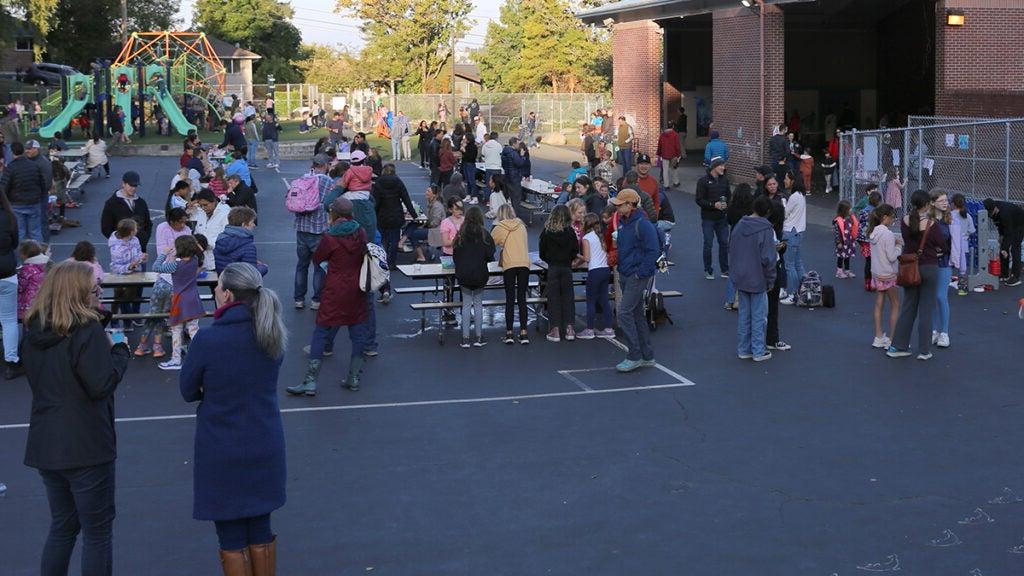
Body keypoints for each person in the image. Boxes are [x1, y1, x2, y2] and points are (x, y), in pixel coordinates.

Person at [22, 261, 131, 575]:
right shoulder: (86, 332)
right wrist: (120, 351)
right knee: (97, 532)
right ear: (81, 294)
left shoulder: (34, 332)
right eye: (96, 290)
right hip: (86, 445)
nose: (100, 294)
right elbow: (101, 384)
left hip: (46, 443)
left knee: (62, 527)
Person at [179, 262, 286, 574]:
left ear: (226, 294)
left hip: (220, 445)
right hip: (265, 439)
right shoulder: (271, 334)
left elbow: (188, 390)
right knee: (261, 525)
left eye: (217, 285)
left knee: (229, 531)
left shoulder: (208, 341)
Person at [288, 198, 370, 396]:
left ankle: (311, 381)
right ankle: (354, 377)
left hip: (335, 288)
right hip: (357, 288)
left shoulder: (330, 236)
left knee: (321, 332)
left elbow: (318, 258)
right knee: (357, 332)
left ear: (334, 214)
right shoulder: (360, 232)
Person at [888, 190, 946, 360]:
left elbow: (909, 239)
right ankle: (924, 350)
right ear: (927, 204)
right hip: (928, 266)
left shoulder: (905, 221)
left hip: (909, 266)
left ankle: (898, 345)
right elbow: (942, 245)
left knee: (908, 307)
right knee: (926, 308)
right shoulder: (931, 224)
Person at [609, 189, 660, 370]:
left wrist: (640, 273)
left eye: (620, 205)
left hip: (634, 275)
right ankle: (646, 355)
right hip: (628, 273)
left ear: (630, 205)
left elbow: (654, 251)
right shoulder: (625, 222)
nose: (617, 207)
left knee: (624, 313)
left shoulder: (642, 224)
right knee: (636, 314)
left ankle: (635, 355)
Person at [730, 195, 778, 362]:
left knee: (744, 315)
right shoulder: (765, 230)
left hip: (741, 276)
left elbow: (732, 249)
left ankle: (744, 348)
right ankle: (758, 350)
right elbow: (769, 259)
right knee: (759, 316)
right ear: (768, 211)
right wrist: (771, 280)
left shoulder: (739, 226)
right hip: (757, 278)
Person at [152, 235, 205, 371]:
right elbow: (200, 252)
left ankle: (176, 360)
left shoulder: (175, 265)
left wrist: (164, 253)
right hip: (193, 298)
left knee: (176, 329)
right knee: (193, 329)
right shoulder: (194, 260)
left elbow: (156, 267)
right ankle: (205, 354)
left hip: (180, 300)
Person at [294, 155, 334, 309]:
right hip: (318, 229)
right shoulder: (326, 181)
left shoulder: (303, 179)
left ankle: (299, 298)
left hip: (301, 228)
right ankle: (316, 300)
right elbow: (331, 202)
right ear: (325, 165)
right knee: (319, 266)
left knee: (301, 265)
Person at [453, 205, 495, 348]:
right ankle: (478, 336)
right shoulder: (484, 234)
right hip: (479, 274)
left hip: (464, 274)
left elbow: (455, 256)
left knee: (466, 305)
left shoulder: (460, 235)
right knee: (478, 304)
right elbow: (490, 255)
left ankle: (465, 338)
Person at [490, 204, 530, 344]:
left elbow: (490, 244)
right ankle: (524, 332)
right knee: (522, 299)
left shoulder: (499, 227)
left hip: (509, 264)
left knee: (510, 299)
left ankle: (509, 333)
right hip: (524, 263)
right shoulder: (521, 225)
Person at [540, 205, 579, 342]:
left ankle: (555, 329)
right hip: (566, 267)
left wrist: (549, 259)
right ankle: (570, 329)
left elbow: (542, 252)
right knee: (568, 298)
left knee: (554, 299)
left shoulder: (547, 232)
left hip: (553, 267)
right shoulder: (570, 232)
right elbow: (575, 249)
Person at [372, 163, 418, 275]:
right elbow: (406, 199)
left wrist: (373, 214)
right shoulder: (398, 182)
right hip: (396, 214)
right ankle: (391, 262)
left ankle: (383, 261)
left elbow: (375, 202)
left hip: (382, 216)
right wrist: (414, 215)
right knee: (394, 240)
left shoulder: (378, 183)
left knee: (383, 240)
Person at [869, 204, 902, 349]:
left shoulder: (873, 233)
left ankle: (878, 336)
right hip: (888, 274)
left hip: (876, 273)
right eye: (892, 217)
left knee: (879, 303)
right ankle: (891, 338)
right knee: (895, 304)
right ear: (885, 218)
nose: (893, 220)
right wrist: (899, 246)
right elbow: (892, 256)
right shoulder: (888, 234)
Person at [1, 141, 46, 243]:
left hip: (17, 204)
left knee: (20, 232)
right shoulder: (34, 165)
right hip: (34, 202)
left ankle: (21, 258)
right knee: (35, 232)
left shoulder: (11, 168)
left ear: (12, 152)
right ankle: (39, 256)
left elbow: (4, 187)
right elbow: (42, 183)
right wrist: (40, 196)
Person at [579, 213, 613, 340]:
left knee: (591, 300)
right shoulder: (600, 236)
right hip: (605, 269)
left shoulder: (586, 238)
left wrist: (577, 256)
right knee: (604, 299)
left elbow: (587, 258)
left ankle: (589, 329)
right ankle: (609, 328)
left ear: (586, 225)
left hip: (595, 271)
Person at [695, 157, 731, 279]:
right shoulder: (703, 181)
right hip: (708, 218)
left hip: (722, 218)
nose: (723, 168)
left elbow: (728, 196)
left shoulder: (725, 180)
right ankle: (708, 269)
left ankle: (725, 269)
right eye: (721, 165)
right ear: (714, 167)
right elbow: (699, 200)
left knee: (724, 243)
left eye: (724, 165)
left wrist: (726, 205)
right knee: (708, 244)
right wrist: (712, 205)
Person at [929, 190, 954, 349]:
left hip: (945, 262)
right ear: (932, 203)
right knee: (931, 296)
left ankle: (944, 332)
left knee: (940, 296)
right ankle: (933, 330)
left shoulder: (951, 220)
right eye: (941, 200)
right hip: (930, 262)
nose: (945, 203)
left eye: (946, 200)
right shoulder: (928, 220)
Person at [215, 206, 268, 276]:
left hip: (224, 282)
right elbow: (252, 275)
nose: (254, 225)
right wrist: (263, 267)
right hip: (241, 285)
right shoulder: (247, 246)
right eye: (252, 222)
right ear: (244, 225)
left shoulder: (220, 240)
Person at [982, 197, 1024, 286]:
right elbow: (999, 225)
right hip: (1009, 226)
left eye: (991, 212)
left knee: (1015, 248)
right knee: (1002, 247)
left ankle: (1015, 277)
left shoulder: (1005, 213)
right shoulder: (992, 212)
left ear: (996, 209)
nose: (990, 215)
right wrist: (1001, 236)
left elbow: (1009, 233)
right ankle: (1004, 274)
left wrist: (1005, 248)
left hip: (1019, 224)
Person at [780, 176, 806, 306]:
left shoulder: (794, 196)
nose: (785, 181)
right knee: (798, 263)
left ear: (793, 181)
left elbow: (785, 213)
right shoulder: (801, 195)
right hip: (799, 231)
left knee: (789, 265)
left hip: (790, 231)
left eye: (787, 178)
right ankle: (804, 291)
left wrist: (783, 203)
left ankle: (793, 294)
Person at [192, 189, 231, 272]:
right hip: (205, 262)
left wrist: (206, 244)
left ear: (214, 201)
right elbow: (197, 232)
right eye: (200, 205)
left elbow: (227, 238)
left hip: (220, 262)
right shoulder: (201, 212)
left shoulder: (226, 213)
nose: (203, 208)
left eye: (205, 205)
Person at [855, 187, 882, 290]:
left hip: (863, 238)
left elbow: (861, 222)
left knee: (868, 261)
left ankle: (867, 282)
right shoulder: (877, 212)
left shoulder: (864, 210)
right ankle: (873, 282)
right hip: (872, 239)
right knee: (873, 261)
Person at [950, 193, 976, 297]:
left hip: (952, 244)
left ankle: (945, 284)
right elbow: (972, 230)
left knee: (949, 265)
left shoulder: (950, 215)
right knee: (963, 268)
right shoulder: (968, 216)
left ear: (953, 203)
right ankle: (962, 289)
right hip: (964, 245)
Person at [17, 239, 49, 321]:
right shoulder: (46, 264)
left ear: (25, 254)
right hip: (44, 299)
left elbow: (21, 287)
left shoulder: (26, 269)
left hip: (29, 302)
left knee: (28, 323)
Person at [834, 200, 859, 279]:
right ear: (844, 210)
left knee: (847, 256)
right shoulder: (838, 221)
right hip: (842, 242)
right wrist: (838, 242)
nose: (851, 210)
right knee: (841, 257)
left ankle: (847, 271)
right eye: (849, 209)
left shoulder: (849, 219)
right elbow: (837, 233)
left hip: (849, 242)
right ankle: (839, 271)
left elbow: (853, 227)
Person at [656, 123, 682, 189]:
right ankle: (676, 182)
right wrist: (679, 154)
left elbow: (660, 145)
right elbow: (677, 146)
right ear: (673, 126)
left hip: (664, 154)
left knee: (665, 170)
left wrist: (659, 153)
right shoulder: (675, 134)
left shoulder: (662, 135)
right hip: (673, 155)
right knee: (674, 168)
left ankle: (666, 185)